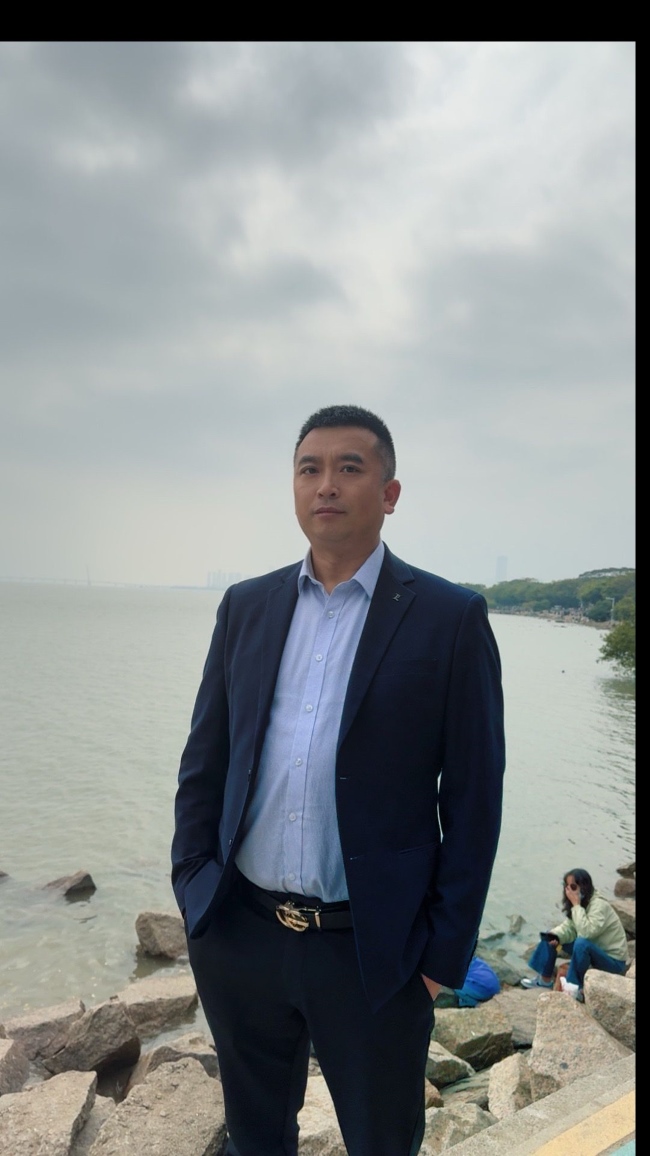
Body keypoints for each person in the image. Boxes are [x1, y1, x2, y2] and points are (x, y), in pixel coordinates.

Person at [171, 404, 505, 1156]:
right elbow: (206, 761)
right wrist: (194, 887)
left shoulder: (450, 618)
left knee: (382, 1141)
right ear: (294, 488)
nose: (326, 484)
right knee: (255, 1139)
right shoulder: (247, 606)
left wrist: (438, 960)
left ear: (389, 493)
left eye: (349, 468)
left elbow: (475, 802)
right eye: (309, 469)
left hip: (373, 952)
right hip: (242, 934)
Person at [521, 868, 628, 994]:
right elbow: (569, 928)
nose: (570, 892)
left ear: (584, 886)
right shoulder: (583, 902)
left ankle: (573, 987)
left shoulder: (599, 905)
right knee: (551, 935)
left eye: (573, 887)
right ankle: (544, 980)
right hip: (593, 952)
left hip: (612, 962)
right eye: (567, 887)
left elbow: (587, 933)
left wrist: (576, 905)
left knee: (581, 943)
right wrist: (556, 936)